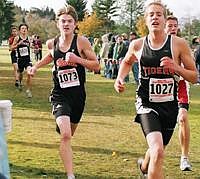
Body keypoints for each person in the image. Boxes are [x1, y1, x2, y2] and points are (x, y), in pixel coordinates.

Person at [114, 1, 197, 179]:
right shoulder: (137, 45)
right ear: (146, 20)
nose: (155, 17)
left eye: (159, 14)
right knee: (158, 150)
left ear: (164, 19)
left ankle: (144, 167)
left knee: (156, 151)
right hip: (146, 104)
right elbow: (127, 62)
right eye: (151, 14)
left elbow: (194, 76)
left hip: (169, 105)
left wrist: (177, 68)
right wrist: (120, 78)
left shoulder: (178, 45)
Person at [28, 5, 100, 179]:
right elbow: (51, 55)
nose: (66, 24)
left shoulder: (81, 42)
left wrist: (77, 59)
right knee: (66, 135)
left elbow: (96, 65)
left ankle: (62, 124)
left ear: (75, 24)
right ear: (57, 23)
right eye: (63, 21)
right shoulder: (52, 42)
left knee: (68, 134)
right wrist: (36, 66)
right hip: (60, 95)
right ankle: (70, 175)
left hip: (78, 97)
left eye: (70, 21)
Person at [165, 15, 192, 171]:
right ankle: (153, 156)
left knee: (182, 118)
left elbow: (191, 71)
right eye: (170, 26)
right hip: (161, 89)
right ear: (164, 27)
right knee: (163, 126)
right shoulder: (156, 44)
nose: (173, 28)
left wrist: (177, 69)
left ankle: (184, 158)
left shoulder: (182, 45)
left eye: (175, 26)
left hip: (180, 86)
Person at [11, 23, 33, 98]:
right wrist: (18, 44)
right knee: (20, 74)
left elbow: (32, 47)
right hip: (20, 59)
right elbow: (11, 48)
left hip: (28, 60)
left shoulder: (29, 38)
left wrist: (32, 46)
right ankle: (19, 82)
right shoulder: (17, 38)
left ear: (27, 30)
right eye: (22, 28)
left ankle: (28, 90)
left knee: (29, 73)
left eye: (25, 29)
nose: (24, 30)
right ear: (20, 30)